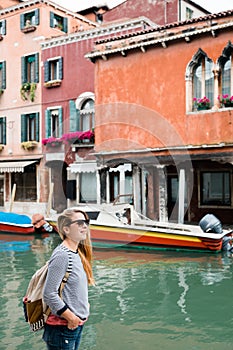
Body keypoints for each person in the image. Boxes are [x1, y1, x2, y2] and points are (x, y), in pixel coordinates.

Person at [42, 208, 95, 350]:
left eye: (86, 222)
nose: (85, 226)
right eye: (79, 223)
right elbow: (49, 294)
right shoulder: (62, 255)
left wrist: (84, 310)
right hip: (63, 327)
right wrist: (71, 317)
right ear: (66, 229)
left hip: (73, 325)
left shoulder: (76, 253)